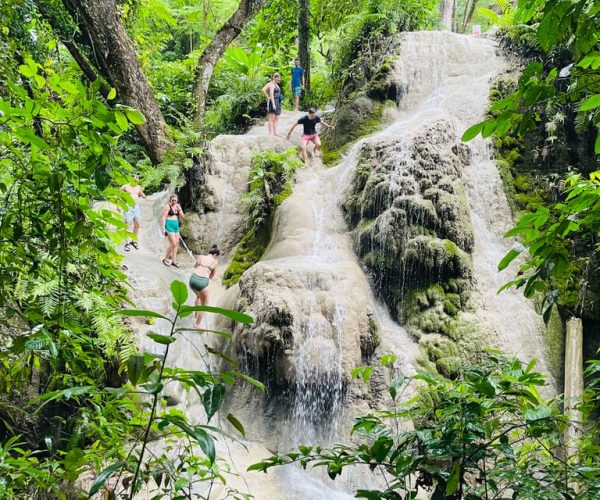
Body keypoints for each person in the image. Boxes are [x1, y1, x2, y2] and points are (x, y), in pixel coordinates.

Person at [189, 245, 220, 328]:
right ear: (215, 255)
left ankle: (195, 315)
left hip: (192, 279)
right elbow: (212, 276)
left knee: (198, 297)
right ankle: (197, 324)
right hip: (202, 282)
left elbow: (194, 266)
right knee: (204, 304)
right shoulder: (215, 262)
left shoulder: (201, 256)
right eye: (217, 257)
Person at [121, 175, 147, 251]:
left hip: (135, 206)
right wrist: (119, 206)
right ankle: (126, 242)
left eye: (137, 178)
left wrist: (146, 197)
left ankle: (133, 240)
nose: (136, 179)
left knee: (137, 224)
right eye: (135, 178)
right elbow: (119, 195)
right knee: (127, 224)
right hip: (128, 206)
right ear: (131, 178)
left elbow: (142, 195)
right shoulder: (125, 186)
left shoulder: (138, 187)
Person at [161, 194, 184, 268]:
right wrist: (163, 228)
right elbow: (164, 217)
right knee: (173, 244)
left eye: (175, 200)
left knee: (176, 244)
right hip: (169, 225)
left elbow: (182, 216)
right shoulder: (167, 206)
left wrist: (179, 210)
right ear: (170, 200)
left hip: (176, 225)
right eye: (172, 200)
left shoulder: (178, 206)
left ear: (177, 200)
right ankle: (165, 258)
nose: (174, 202)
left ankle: (174, 260)